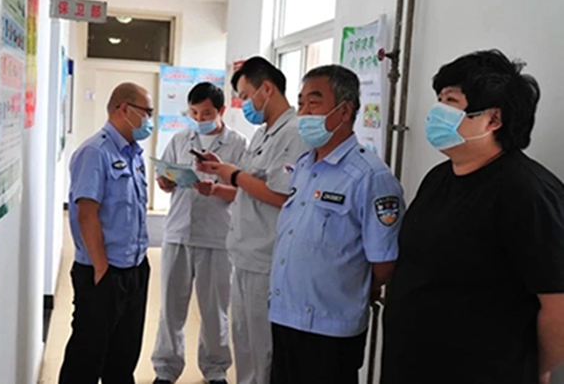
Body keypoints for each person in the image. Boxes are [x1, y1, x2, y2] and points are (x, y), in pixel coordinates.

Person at [381, 50, 564, 384]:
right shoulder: (438, 178)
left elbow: (557, 303)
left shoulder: (527, 192)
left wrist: (540, 370)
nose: (437, 112)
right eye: (439, 100)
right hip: (411, 365)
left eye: (451, 101)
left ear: (493, 120)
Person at [269, 65, 404, 384]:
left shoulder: (370, 176)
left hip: (330, 327)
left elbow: (384, 262)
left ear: (344, 111)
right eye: (301, 103)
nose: (303, 113)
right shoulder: (305, 165)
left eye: (313, 103)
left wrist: (353, 288)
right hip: (285, 315)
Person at [198, 57, 306, 384]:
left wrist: (234, 174)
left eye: (246, 96)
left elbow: (282, 195)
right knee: (243, 343)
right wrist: (222, 170)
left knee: (263, 350)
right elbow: (248, 186)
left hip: (267, 259)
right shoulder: (263, 134)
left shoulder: (294, 133)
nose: (244, 104)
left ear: (266, 89)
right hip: (244, 254)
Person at [151, 82, 247, 384]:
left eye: (205, 113)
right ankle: (165, 369)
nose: (199, 118)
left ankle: (215, 369)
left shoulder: (238, 144)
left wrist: (215, 189)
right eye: (193, 112)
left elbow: (245, 192)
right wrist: (165, 182)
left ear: (221, 110)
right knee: (171, 308)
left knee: (214, 310)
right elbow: (164, 177)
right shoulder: (180, 139)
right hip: (178, 233)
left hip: (217, 236)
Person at [59, 82, 154, 384]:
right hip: (104, 272)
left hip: (135, 268)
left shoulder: (134, 153)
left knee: (123, 358)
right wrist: (101, 269)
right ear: (124, 109)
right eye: (147, 112)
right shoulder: (94, 152)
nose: (150, 120)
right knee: (86, 359)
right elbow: (87, 213)